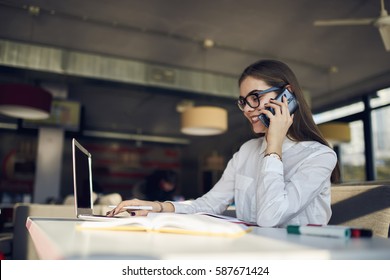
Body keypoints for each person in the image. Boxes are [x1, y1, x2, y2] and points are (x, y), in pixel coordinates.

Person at [107, 59, 340, 227]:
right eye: (243, 102)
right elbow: (210, 203)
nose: (248, 109)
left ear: (287, 95)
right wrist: (154, 207)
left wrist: (274, 145)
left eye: (255, 97)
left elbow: (271, 218)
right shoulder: (247, 150)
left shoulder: (319, 157)